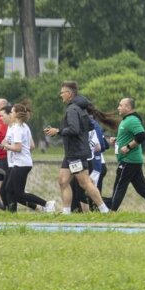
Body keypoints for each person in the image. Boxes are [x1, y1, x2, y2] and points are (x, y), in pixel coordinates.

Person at [43, 82, 109, 214]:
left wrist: (58, 131)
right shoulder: (80, 108)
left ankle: (104, 210)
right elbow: (89, 126)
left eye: (62, 92)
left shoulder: (72, 109)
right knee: (63, 181)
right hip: (71, 153)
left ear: (69, 94)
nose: (60, 95)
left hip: (76, 153)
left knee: (85, 183)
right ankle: (66, 213)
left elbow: (74, 129)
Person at [108, 97, 145, 213]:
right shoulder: (126, 120)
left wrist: (128, 147)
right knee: (142, 189)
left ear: (128, 107)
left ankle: (112, 211)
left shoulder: (132, 120)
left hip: (129, 160)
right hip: (131, 161)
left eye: (120, 105)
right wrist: (117, 139)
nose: (118, 108)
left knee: (120, 186)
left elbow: (141, 136)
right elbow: (129, 136)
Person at [0, 102, 50, 213]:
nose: (10, 114)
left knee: (18, 193)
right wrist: (8, 146)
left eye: (12, 112)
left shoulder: (18, 128)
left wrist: (6, 145)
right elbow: (29, 146)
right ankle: (11, 214)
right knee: (8, 191)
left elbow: (18, 148)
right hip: (20, 163)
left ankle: (47, 204)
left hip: (20, 163)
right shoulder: (20, 127)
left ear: (16, 114)